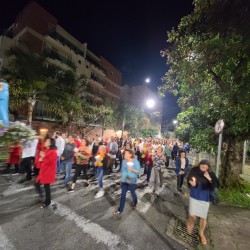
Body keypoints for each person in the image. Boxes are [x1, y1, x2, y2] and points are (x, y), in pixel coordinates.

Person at [187, 159, 219, 245]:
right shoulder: (194, 170)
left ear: (208, 168)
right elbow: (189, 179)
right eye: (202, 167)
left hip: (205, 198)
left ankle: (201, 233)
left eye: (206, 167)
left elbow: (216, 185)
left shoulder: (210, 174)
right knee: (192, 215)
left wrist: (210, 179)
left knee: (203, 217)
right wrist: (191, 183)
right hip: (194, 195)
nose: (204, 169)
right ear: (199, 165)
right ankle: (190, 224)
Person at [114, 149, 140, 215]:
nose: (124, 154)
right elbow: (122, 170)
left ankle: (135, 202)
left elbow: (138, 171)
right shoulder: (123, 161)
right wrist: (122, 179)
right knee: (123, 195)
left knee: (132, 193)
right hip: (125, 180)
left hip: (132, 181)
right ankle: (120, 210)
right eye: (124, 153)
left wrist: (132, 169)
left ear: (130, 154)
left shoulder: (135, 161)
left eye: (126, 153)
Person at [35, 137, 57, 208]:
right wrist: (41, 158)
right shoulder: (47, 150)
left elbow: (50, 162)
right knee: (37, 184)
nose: (45, 142)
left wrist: (43, 157)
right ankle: (42, 196)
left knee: (46, 186)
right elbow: (44, 160)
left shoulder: (53, 152)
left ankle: (47, 201)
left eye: (47, 141)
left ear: (50, 143)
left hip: (48, 172)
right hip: (43, 171)